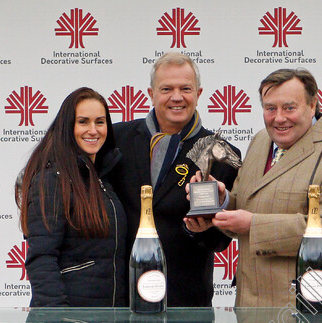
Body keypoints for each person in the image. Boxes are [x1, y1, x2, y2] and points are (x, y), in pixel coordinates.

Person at [195, 68, 322, 308]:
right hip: (252, 306)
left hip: (309, 311)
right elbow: (248, 204)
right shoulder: (260, 141)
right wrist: (223, 200)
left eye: (289, 108)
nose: (279, 118)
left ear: (313, 105)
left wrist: (252, 224)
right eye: (270, 108)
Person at [112, 52, 240, 307]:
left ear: (199, 93)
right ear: (151, 94)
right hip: (120, 296)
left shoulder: (222, 153)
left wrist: (204, 224)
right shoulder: (116, 140)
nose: (177, 97)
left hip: (185, 299)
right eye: (166, 89)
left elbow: (220, 240)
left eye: (185, 88)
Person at [17, 87, 127, 307]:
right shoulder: (52, 179)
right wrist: (58, 319)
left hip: (109, 319)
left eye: (100, 122)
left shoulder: (103, 179)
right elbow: (42, 258)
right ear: (68, 127)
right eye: (83, 122)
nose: (93, 130)